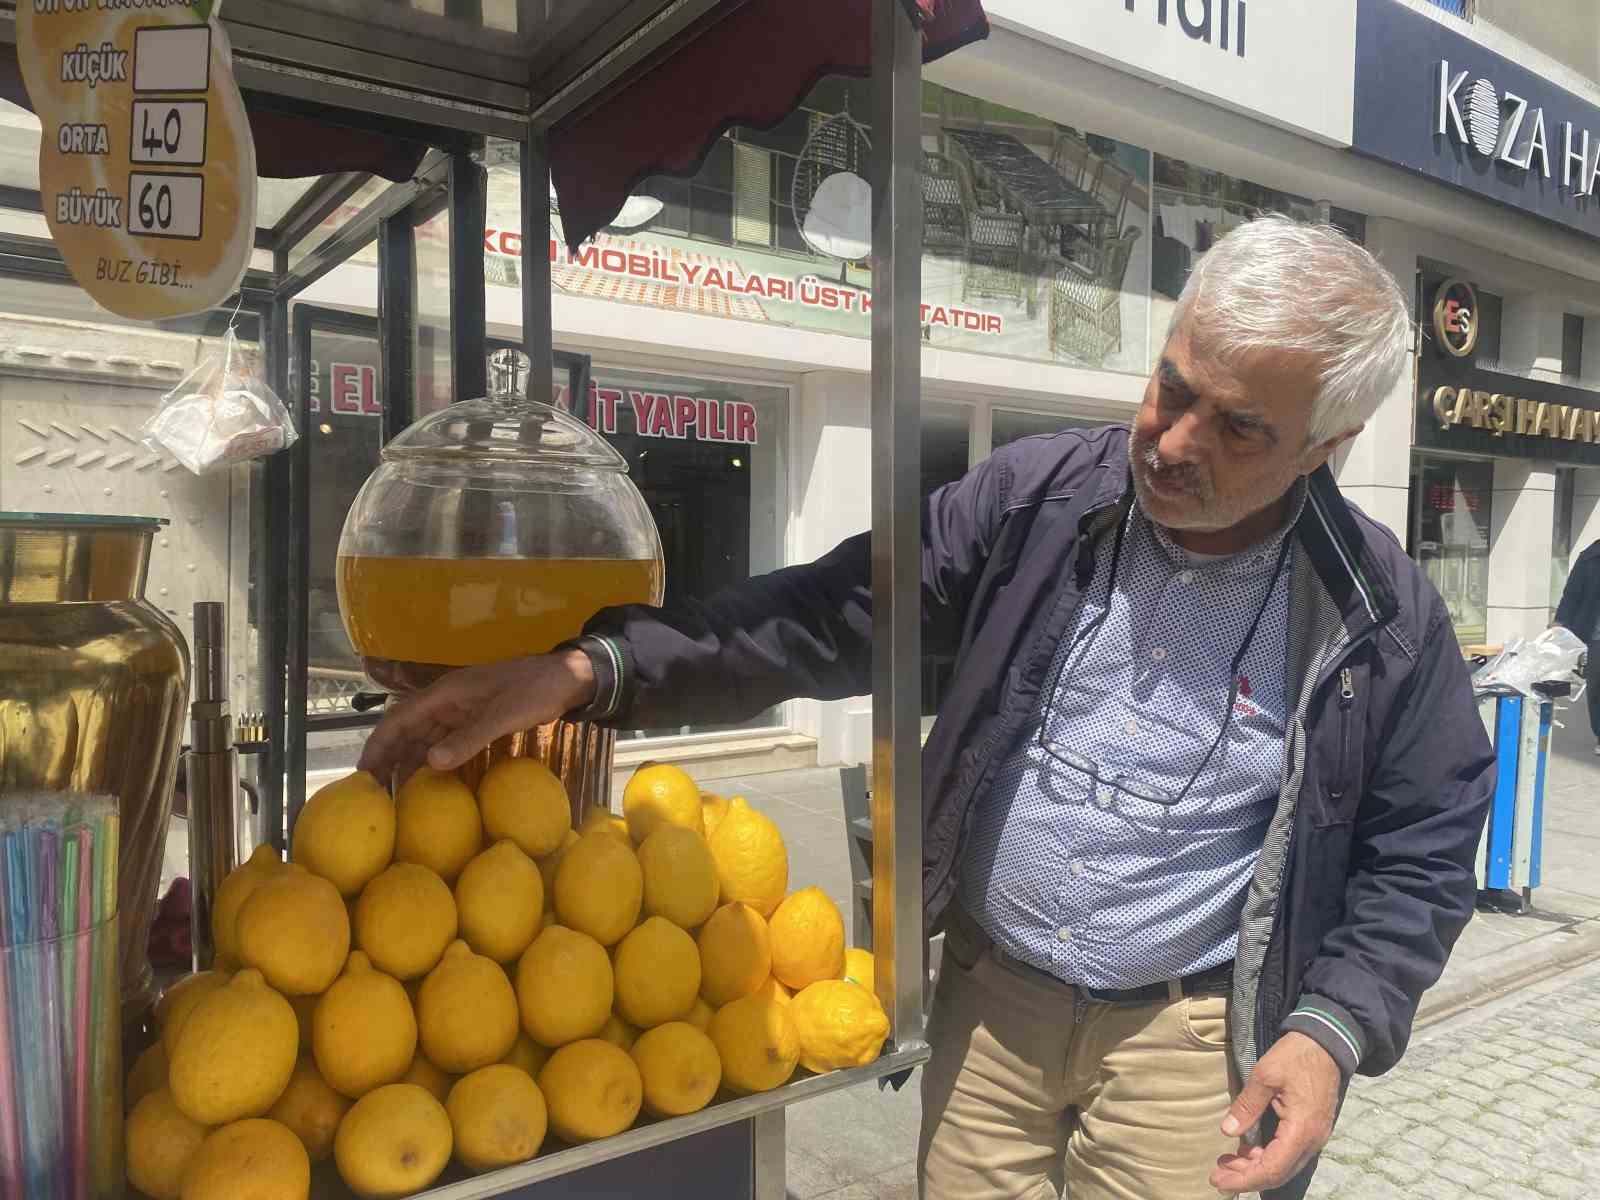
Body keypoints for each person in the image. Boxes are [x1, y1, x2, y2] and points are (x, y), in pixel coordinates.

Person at [358, 216, 1495, 1200]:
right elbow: (826, 611)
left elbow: (1427, 841)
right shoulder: (1040, 499)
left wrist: (1330, 1029)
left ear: (1327, 446)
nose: (1173, 441)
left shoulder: (1376, 612)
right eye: (1172, 386)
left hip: (1188, 1039)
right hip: (991, 1004)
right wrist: (588, 669)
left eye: (1239, 427)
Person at [1555, 539, 1600, 752]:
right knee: (1596, 687)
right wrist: (1560, 621)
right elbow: (1572, 593)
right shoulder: (1591, 556)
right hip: (1595, 634)